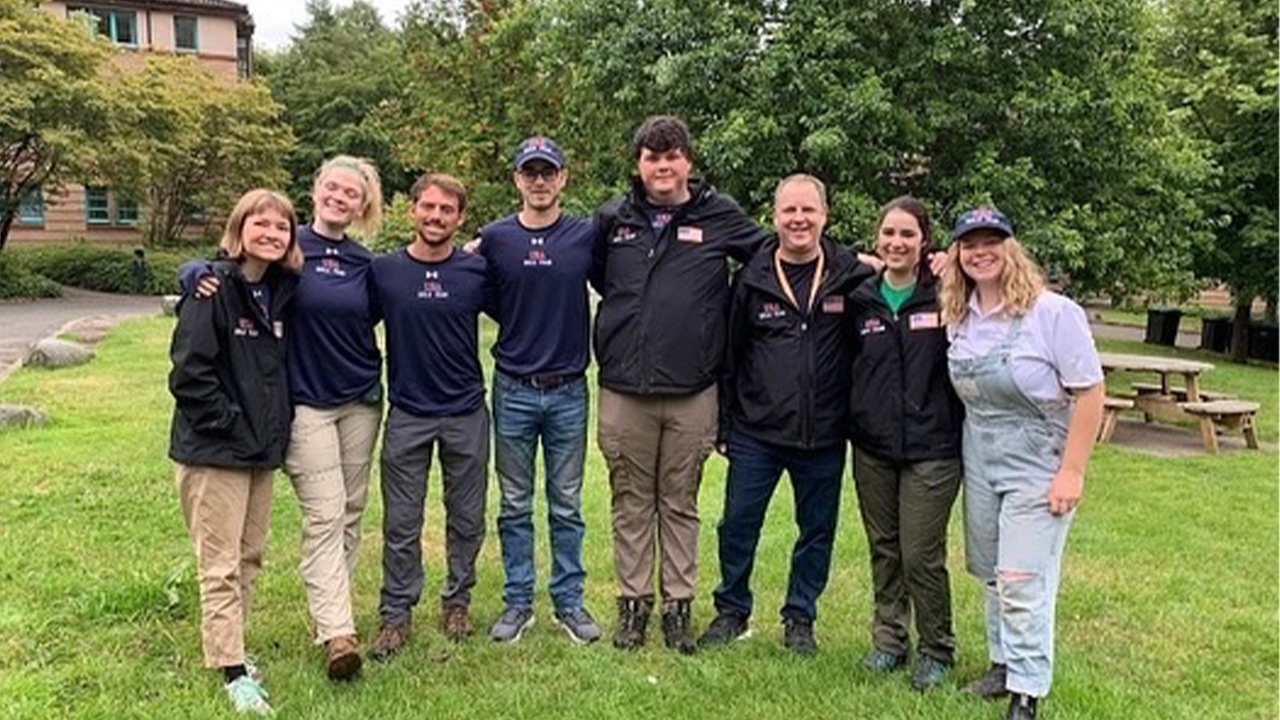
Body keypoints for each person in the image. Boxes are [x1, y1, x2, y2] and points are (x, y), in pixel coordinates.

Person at [182, 156, 385, 680]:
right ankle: (339, 633)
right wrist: (195, 271)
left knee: (351, 513)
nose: (341, 198)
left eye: (353, 193)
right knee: (324, 513)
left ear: (364, 205)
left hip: (361, 401)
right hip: (305, 404)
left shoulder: (367, 263)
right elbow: (230, 269)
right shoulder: (289, 252)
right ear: (316, 191)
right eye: (333, 188)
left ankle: (328, 615)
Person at [591, 115, 766, 654]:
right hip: (625, 388)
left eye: (671, 156)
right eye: (651, 156)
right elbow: (598, 276)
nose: (662, 166)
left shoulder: (720, 215)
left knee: (681, 500)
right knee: (630, 501)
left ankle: (677, 608)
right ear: (638, 163)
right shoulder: (612, 219)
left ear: (688, 160)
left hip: (693, 390)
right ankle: (633, 607)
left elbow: (776, 257)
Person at [940, 208, 1104, 720]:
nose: (980, 252)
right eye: (969, 244)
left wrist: (1072, 471)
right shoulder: (959, 314)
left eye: (992, 241)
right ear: (957, 255)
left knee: (1020, 577)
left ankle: (1028, 688)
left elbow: (1091, 392)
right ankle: (1002, 663)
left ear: (1012, 249)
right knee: (991, 572)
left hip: (1038, 463)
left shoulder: (1052, 313)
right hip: (981, 456)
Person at [698, 175, 872, 655]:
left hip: (824, 431)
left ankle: (800, 617)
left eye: (808, 211)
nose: (799, 219)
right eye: (789, 211)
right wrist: (726, 424)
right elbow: (729, 357)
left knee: (816, 531)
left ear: (825, 215)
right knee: (737, 523)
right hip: (757, 429)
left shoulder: (850, 275)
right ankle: (731, 610)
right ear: (773, 218)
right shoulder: (751, 278)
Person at [168, 189, 302, 716]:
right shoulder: (210, 288)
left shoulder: (281, 291)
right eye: (261, 224)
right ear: (239, 227)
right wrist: (229, 427)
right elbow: (190, 375)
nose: (272, 234)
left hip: (259, 451)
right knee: (219, 563)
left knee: (249, 556)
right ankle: (230, 671)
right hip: (215, 452)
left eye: (282, 227)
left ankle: (237, 651)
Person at [474, 137, 601, 645]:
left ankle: (569, 602)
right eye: (531, 172)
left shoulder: (585, 237)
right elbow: (480, 293)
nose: (540, 181)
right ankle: (518, 600)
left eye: (549, 171)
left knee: (567, 503)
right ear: (517, 181)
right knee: (514, 502)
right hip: (514, 388)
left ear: (564, 178)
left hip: (570, 388)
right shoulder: (494, 239)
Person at [367, 173, 492, 659]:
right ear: (412, 211)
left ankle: (456, 602)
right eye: (429, 207)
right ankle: (396, 615)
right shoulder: (385, 271)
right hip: (408, 413)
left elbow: (522, 304)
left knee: (467, 518)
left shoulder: (477, 272)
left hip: (465, 411)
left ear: (460, 218)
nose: (436, 217)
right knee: (401, 520)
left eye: (447, 210)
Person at [846, 196, 964, 690]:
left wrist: (951, 267)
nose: (896, 243)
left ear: (924, 242)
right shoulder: (860, 298)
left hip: (932, 448)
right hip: (872, 445)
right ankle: (890, 640)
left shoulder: (947, 294)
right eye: (889, 233)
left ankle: (938, 648)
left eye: (908, 235)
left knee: (920, 552)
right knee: (884, 547)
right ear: (877, 238)